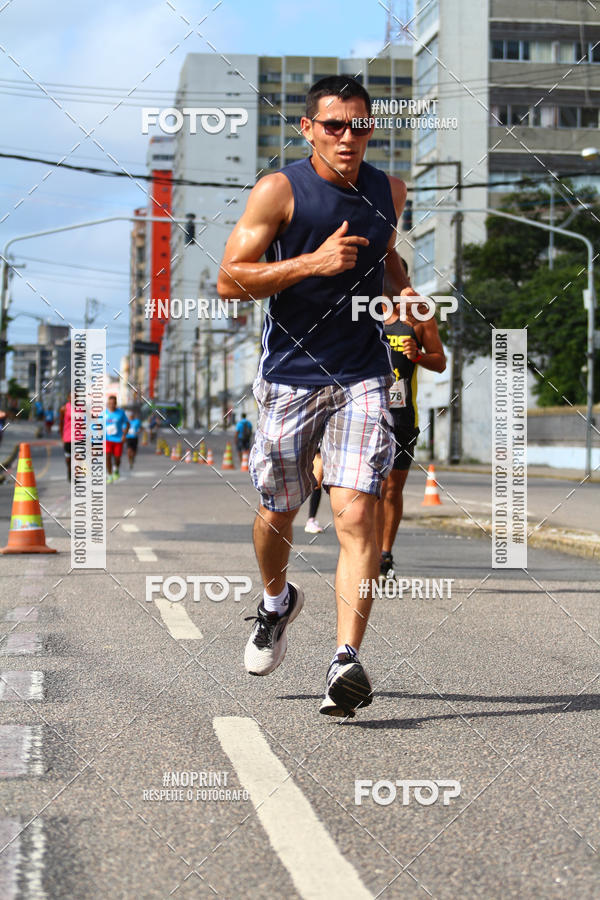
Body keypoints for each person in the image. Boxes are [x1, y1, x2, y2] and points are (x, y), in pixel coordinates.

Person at [217, 75, 412, 718]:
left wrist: (402, 291)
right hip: (290, 378)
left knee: (357, 513)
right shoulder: (280, 190)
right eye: (335, 125)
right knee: (279, 508)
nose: (348, 137)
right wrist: (310, 264)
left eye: (360, 125)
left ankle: (345, 661)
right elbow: (228, 282)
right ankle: (276, 603)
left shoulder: (390, 191)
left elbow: (385, 258)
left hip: (363, 376)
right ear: (308, 128)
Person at [376, 271, 447, 577]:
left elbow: (440, 361)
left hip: (403, 417)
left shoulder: (419, 319)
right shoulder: (364, 317)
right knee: (370, 489)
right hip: (367, 415)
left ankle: (384, 554)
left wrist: (417, 355)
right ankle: (364, 551)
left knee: (392, 489)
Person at [104, 395, 129, 483]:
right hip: (107, 439)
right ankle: (110, 475)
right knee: (107, 456)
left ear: (116, 404)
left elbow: (127, 424)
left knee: (117, 458)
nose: (111, 405)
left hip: (118, 439)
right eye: (110, 403)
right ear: (108, 403)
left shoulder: (121, 413)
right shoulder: (104, 413)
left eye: (113, 403)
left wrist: (124, 435)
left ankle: (116, 468)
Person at [304, 450, 324, 534]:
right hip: (318, 450)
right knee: (316, 482)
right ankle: (311, 520)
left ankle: (311, 520)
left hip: (332, 450)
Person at [59, 394, 72, 481]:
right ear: (68, 398)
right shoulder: (64, 409)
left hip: (80, 437)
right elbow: (61, 423)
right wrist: (62, 436)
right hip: (68, 437)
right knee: (68, 458)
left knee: (78, 458)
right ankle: (69, 470)